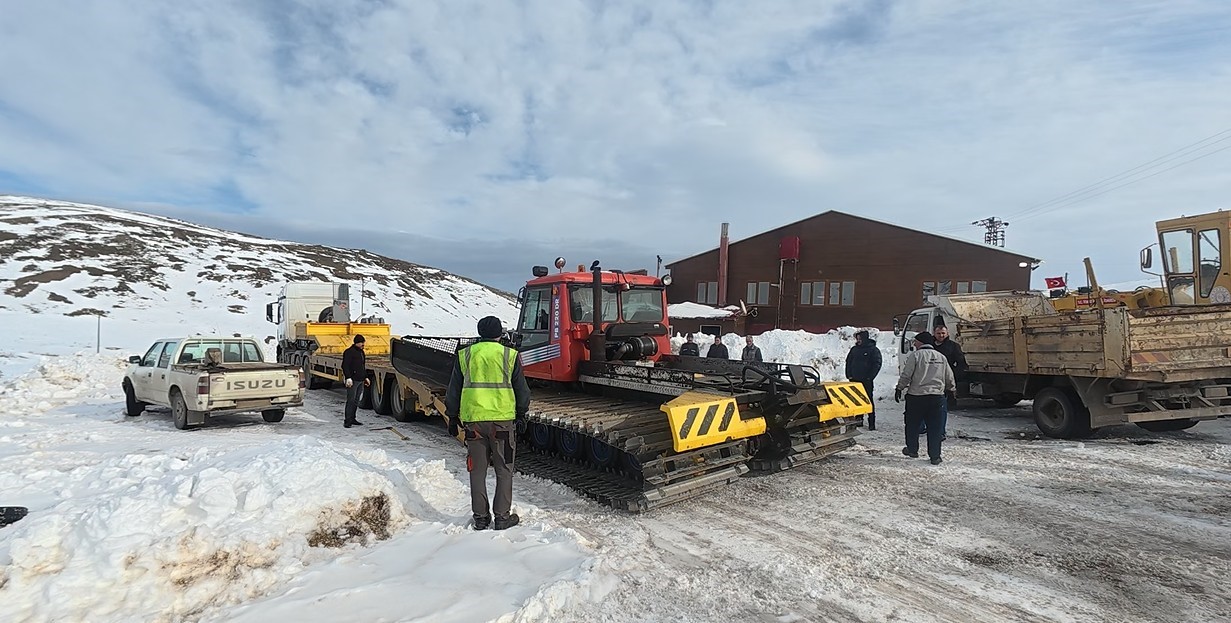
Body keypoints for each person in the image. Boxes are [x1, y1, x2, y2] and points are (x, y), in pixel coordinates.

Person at [444, 316, 531, 531]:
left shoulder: (465, 355)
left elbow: (453, 389)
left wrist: (452, 416)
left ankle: (481, 518)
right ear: (499, 333)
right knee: (504, 470)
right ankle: (502, 518)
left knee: (477, 471)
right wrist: (521, 415)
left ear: (480, 333)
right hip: (502, 422)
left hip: (474, 422)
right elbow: (522, 390)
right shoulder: (509, 355)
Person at [894, 331, 955, 465]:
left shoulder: (915, 356)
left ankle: (912, 449)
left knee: (912, 425)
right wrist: (951, 390)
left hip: (917, 397)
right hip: (937, 397)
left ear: (921, 342)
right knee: (935, 427)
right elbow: (949, 376)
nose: (914, 344)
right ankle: (935, 456)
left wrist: (899, 388)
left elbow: (907, 374)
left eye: (916, 341)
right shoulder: (941, 357)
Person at [930, 324, 968, 438]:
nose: (941, 335)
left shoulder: (953, 346)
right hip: (930, 379)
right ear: (934, 334)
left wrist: (953, 375)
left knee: (942, 407)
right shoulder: (930, 346)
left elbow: (961, 363)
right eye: (938, 333)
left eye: (943, 333)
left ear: (947, 334)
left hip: (945, 380)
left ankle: (940, 431)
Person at [844, 329, 882, 431]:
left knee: (868, 400)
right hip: (854, 380)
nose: (858, 340)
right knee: (856, 400)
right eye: (857, 338)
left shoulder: (873, 350)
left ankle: (871, 422)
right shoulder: (854, 349)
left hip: (867, 380)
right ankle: (858, 420)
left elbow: (877, 364)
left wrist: (870, 377)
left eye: (860, 338)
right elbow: (848, 362)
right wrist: (849, 375)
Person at [341, 335, 369, 428]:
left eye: (363, 342)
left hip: (360, 380)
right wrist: (348, 377)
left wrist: (365, 377)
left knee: (356, 400)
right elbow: (345, 365)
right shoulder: (349, 352)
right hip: (353, 380)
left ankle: (353, 418)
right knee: (351, 400)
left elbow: (362, 366)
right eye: (361, 342)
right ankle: (347, 420)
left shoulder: (361, 352)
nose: (363, 344)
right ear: (356, 343)